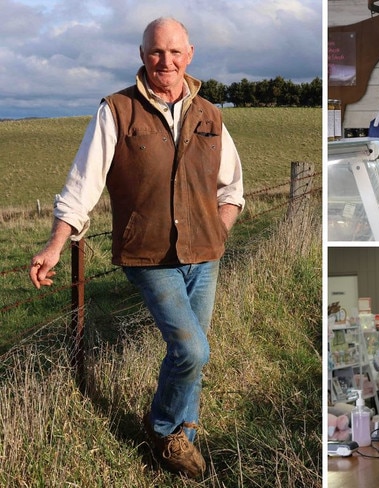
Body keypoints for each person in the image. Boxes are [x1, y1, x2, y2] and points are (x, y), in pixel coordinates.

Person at [29, 17, 245, 479]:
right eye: (154, 52)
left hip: (205, 254)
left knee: (194, 350)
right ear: (142, 54)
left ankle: (184, 433)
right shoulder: (116, 110)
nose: (164, 61)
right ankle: (164, 429)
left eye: (173, 52)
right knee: (192, 349)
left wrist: (220, 232)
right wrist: (54, 245)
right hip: (149, 256)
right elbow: (82, 185)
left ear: (190, 54)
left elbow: (232, 188)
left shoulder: (209, 113)